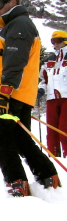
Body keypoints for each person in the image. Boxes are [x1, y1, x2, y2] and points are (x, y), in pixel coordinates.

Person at [0, 0, 60, 197]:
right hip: (19, 93)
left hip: (10, 93)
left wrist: (4, 93)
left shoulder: (19, 25)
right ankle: (49, 182)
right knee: (21, 140)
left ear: (12, 1)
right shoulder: (18, 25)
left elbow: (14, 61)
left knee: (0, 141)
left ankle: (17, 186)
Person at [38, 30, 67, 158]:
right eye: (52, 41)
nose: (55, 44)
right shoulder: (49, 60)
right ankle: (53, 156)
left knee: (64, 127)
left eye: (58, 40)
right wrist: (41, 89)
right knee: (51, 129)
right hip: (51, 99)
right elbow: (43, 80)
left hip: (66, 98)